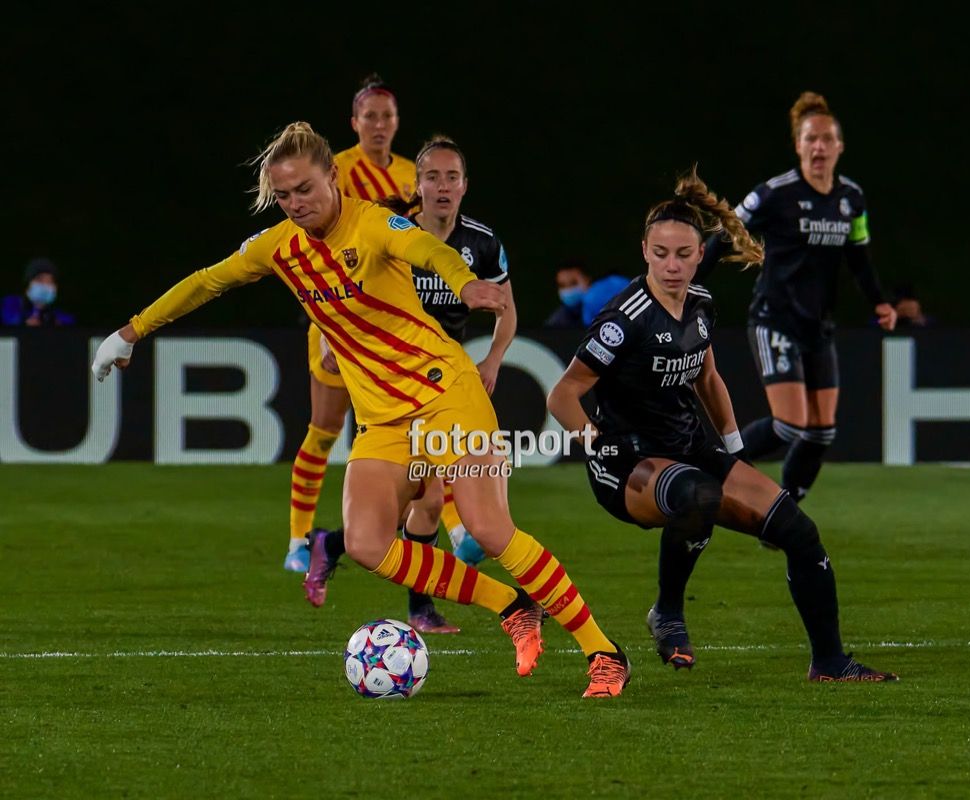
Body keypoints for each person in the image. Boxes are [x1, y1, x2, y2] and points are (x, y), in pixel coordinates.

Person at [91, 121, 630, 697]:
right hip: (383, 420)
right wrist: (130, 332)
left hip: (445, 394)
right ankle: (513, 606)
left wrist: (464, 283)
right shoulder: (279, 248)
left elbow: (426, 248)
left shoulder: (372, 222)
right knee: (368, 543)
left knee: (489, 528)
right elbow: (207, 281)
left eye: (306, 188)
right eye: (284, 195)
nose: (296, 203)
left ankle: (603, 652)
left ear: (333, 176)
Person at [547, 168, 897, 683]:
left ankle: (829, 662)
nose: (672, 265)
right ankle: (668, 612)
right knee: (698, 495)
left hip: (688, 447)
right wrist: (593, 441)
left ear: (698, 255)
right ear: (644, 251)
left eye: (683, 254)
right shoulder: (624, 319)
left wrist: (734, 450)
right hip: (627, 463)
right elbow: (562, 394)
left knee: (799, 532)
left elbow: (708, 379)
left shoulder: (702, 305)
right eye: (661, 253)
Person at [311, 135, 518, 634]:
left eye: (452, 177)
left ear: (465, 186)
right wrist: (328, 341)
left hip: (442, 385)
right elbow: (338, 290)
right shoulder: (389, 229)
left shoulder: (483, 244)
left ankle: (345, 554)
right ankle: (385, 580)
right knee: (411, 502)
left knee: (423, 499)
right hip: (386, 383)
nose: (442, 186)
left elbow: (507, 309)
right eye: (432, 177)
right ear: (417, 184)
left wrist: (492, 359)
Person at [698, 91, 896, 504]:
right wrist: (690, 287)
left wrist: (879, 301)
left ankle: (783, 510)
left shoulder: (851, 199)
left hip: (817, 327)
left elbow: (858, 256)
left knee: (822, 430)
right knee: (790, 424)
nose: (819, 146)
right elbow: (726, 233)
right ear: (798, 145)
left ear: (840, 146)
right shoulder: (775, 193)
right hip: (776, 320)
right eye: (811, 139)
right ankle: (711, 469)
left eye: (827, 139)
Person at [286, 74, 418, 578]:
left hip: (388, 321)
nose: (379, 124)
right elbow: (313, 242)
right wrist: (327, 325)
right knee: (324, 429)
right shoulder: (335, 170)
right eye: (370, 116)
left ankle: (433, 527)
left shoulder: (411, 175)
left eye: (387, 116)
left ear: (397, 122)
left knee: (412, 427)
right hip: (337, 317)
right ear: (354, 122)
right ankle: (298, 539)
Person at [544, 263, 630, 329]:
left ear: (587, 279)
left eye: (574, 283)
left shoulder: (599, 296)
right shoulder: (558, 319)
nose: (568, 290)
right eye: (562, 285)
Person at [2, 258, 75, 327]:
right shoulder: (11, 303)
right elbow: (8, 319)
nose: (45, 286)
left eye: (50, 281)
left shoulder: (57, 314)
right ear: (28, 284)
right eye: (40, 280)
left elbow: (70, 323)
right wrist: (23, 323)